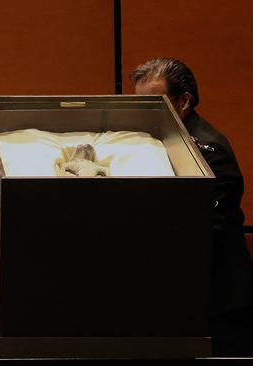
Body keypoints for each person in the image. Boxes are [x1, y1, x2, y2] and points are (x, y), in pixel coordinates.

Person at [131, 58, 253, 355]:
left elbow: (209, 226)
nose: (144, 113)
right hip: (182, 295)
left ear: (184, 101)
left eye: (154, 102)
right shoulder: (165, 141)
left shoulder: (210, 151)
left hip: (217, 301)